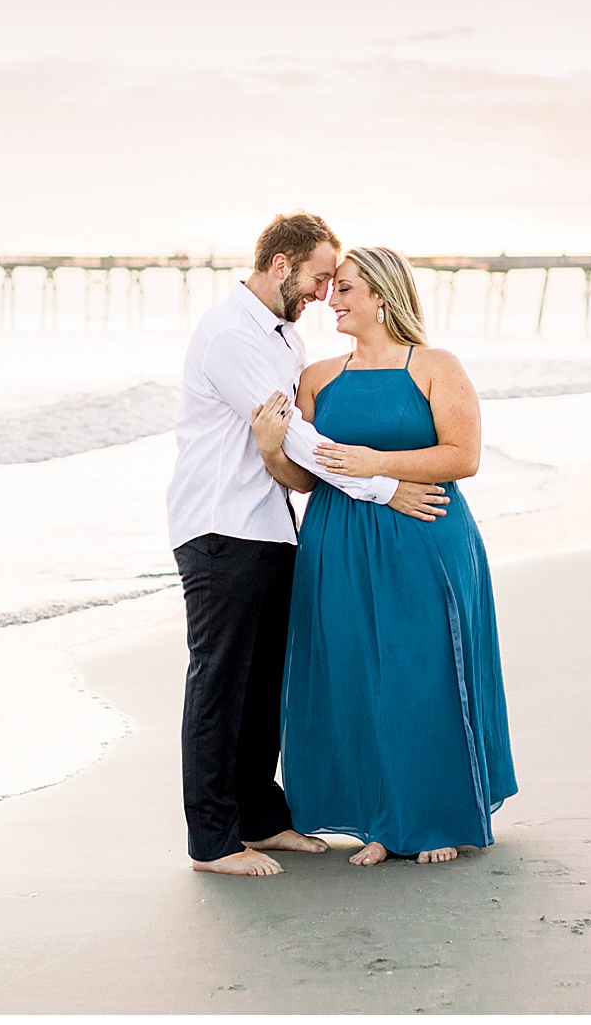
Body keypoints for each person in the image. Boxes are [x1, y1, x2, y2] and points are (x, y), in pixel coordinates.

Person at [167, 212, 452, 877]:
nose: (324, 294)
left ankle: (260, 818)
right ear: (280, 264)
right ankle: (212, 841)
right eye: (320, 277)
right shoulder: (230, 335)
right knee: (219, 683)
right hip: (219, 528)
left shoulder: (284, 340)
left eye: (334, 282)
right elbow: (295, 437)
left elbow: (287, 449)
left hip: (270, 526)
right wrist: (385, 486)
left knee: (266, 683)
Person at [251, 246, 516, 866]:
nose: (330, 300)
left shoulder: (435, 366)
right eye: (332, 288)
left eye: (344, 289)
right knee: (355, 675)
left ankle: (434, 818)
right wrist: (270, 451)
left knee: (422, 671)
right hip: (337, 541)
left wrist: (378, 464)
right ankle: (379, 819)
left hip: (425, 534)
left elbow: (463, 456)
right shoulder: (318, 377)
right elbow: (311, 476)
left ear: (381, 296)